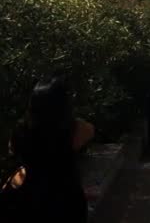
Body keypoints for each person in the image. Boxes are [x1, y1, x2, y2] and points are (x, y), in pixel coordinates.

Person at [0, 76, 94, 222]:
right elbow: (90, 130)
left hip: (27, 198)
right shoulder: (74, 129)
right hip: (65, 200)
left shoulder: (21, 130)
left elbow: (12, 150)